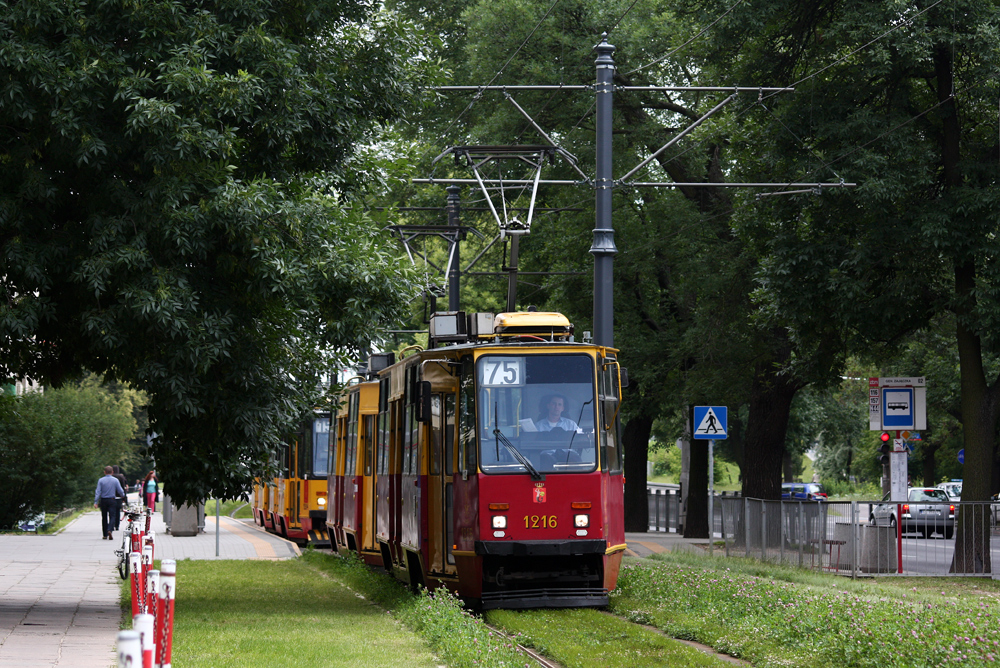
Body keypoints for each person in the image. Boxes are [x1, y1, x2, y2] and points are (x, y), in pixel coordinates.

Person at [94, 466, 125, 540]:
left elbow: (98, 492)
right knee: (112, 516)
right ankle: (110, 529)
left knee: (104, 517)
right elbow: (120, 490)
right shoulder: (115, 480)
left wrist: (96, 502)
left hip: (103, 500)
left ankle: (105, 534)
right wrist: (123, 495)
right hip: (112, 500)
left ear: (104, 472)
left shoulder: (101, 480)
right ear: (112, 472)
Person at [111, 465, 128, 531]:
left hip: (112, 496)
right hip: (119, 497)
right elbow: (123, 488)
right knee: (118, 511)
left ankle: (112, 524)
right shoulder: (121, 477)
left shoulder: (112, 477)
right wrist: (124, 498)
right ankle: (117, 525)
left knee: (112, 512)